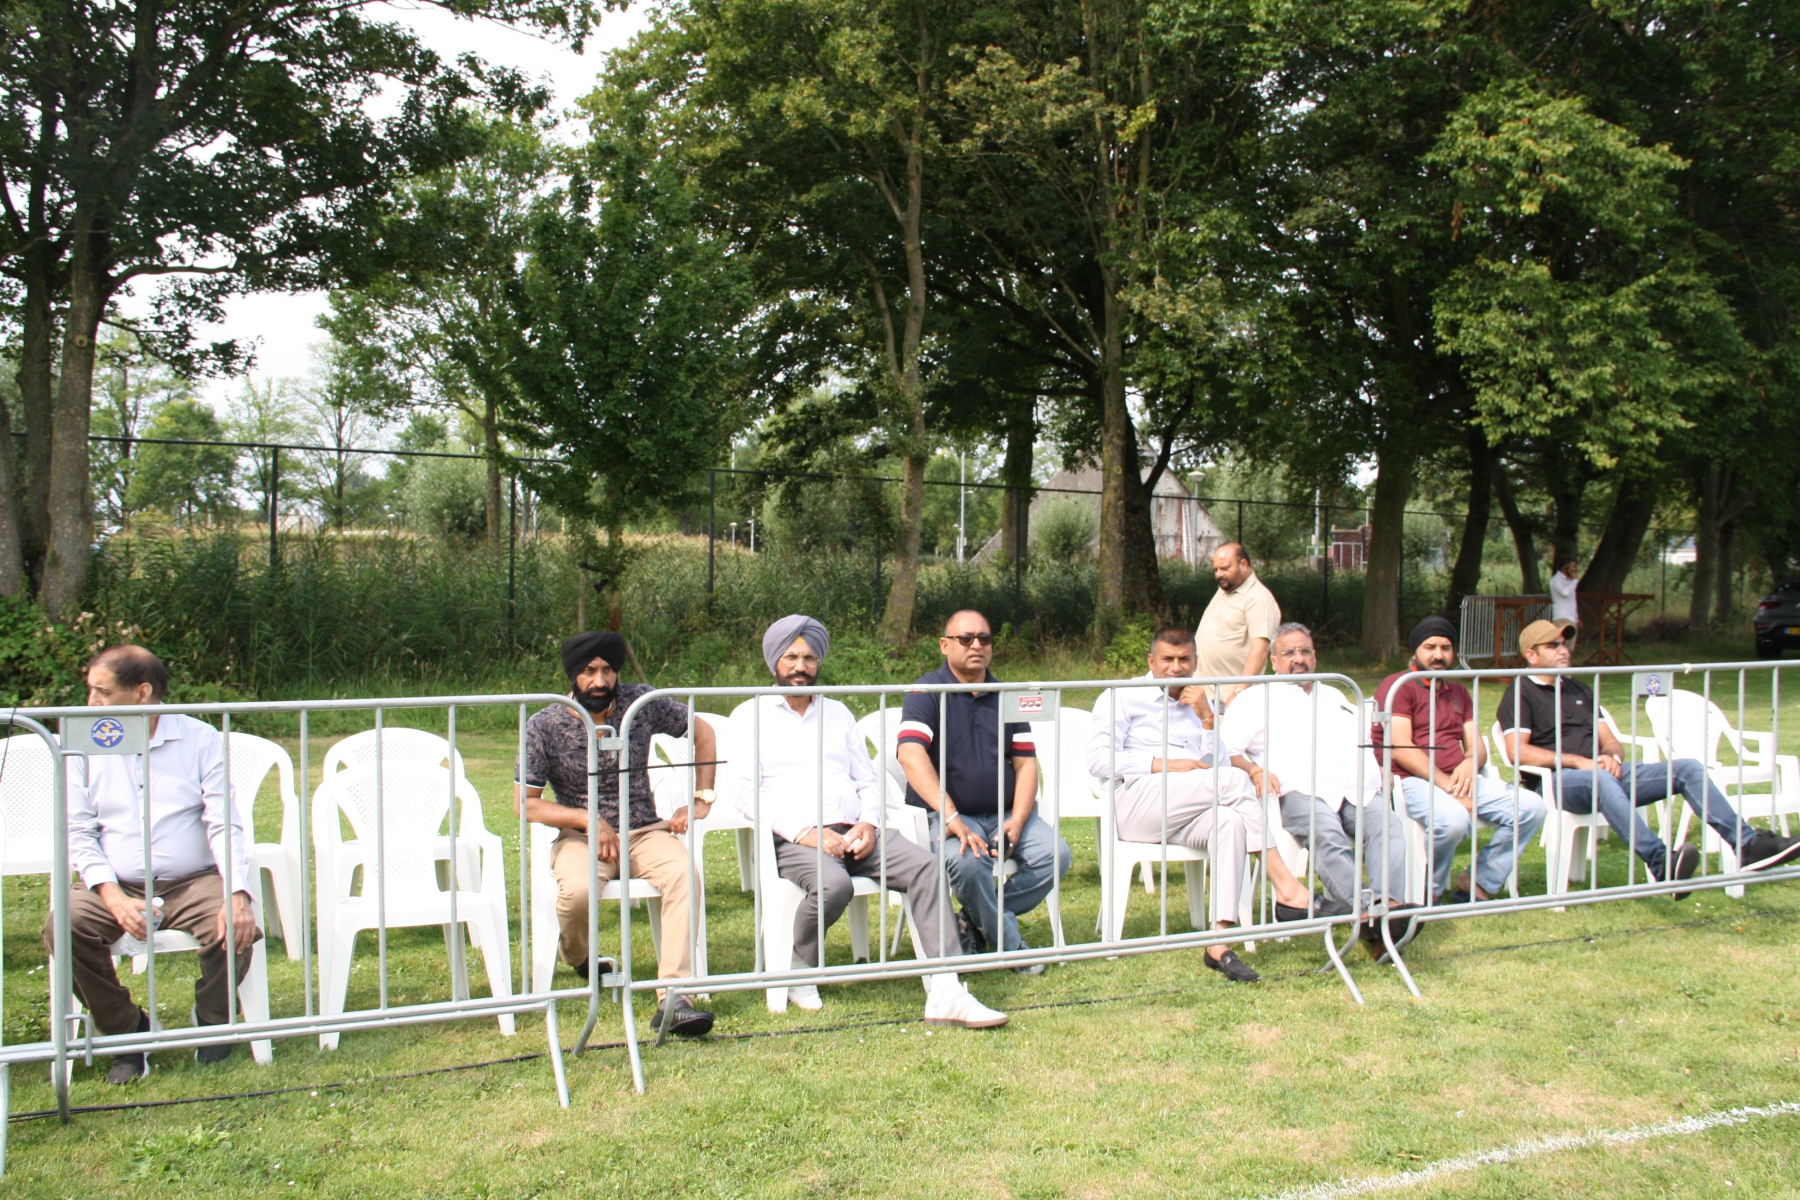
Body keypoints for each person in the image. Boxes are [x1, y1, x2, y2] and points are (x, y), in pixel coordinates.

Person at [721, 615, 1007, 1027]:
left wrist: (869, 824)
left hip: (855, 831)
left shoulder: (837, 712)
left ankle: (946, 991)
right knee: (833, 886)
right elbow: (745, 793)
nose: (801, 666)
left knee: (928, 868)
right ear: (774, 663)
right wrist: (806, 833)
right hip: (794, 838)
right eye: (791, 658)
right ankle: (799, 965)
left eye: (809, 658)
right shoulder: (749, 715)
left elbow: (867, 780)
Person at [45, 646, 259, 1083]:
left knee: (235, 922)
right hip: (113, 882)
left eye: (102, 692)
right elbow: (78, 831)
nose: (91, 703)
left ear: (142, 693)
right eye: (90, 691)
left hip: (192, 880)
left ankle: (213, 1020)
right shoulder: (83, 740)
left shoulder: (200, 739)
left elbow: (223, 821)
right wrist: (113, 897)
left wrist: (236, 892)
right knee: (63, 926)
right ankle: (126, 1033)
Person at [1088, 625, 1336, 983]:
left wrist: (1207, 719)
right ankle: (1287, 888)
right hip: (1136, 803)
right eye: (1168, 659)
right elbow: (1097, 760)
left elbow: (1216, 765)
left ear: (1195, 661)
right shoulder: (1122, 696)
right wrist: (1165, 764)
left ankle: (1218, 942)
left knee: (1228, 822)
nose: (1176, 668)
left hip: (1188, 805)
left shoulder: (1200, 700)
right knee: (1235, 781)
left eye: (1184, 660)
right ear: (1151, 661)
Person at [1498, 619, 1800, 892]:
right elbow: (1517, 751)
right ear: (1532, 655)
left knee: (1688, 769)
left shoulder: (1580, 689)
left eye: (1564, 643)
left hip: (1602, 776)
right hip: (1557, 783)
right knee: (1600, 778)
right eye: (1553, 646)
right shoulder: (1520, 692)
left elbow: (1611, 741)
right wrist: (1580, 762)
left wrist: (1611, 757)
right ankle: (1661, 862)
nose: (1564, 650)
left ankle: (1747, 844)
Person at [518, 631, 716, 1037]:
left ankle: (675, 997)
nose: (599, 680)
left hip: (645, 831)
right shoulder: (544, 724)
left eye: (608, 670)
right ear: (573, 675)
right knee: (578, 893)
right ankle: (578, 957)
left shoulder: (640, 702)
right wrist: (586, 819)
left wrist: (702, 798)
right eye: (589, 671)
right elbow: (527, 804)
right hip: (581, 838)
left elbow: (704, 732)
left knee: (685, 874)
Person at [1220, 623, 1419, 956]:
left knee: (1388, 826)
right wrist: (1255, 770)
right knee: (1326, 832)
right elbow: (1227, 751)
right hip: (1294, 790)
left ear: (1315, 656)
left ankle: (1388, 906)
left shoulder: (1335, 694)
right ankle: (1367, 915)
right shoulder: (1255, 698)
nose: (1298, 658)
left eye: (1305, 651)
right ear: (1273, 660)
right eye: (1289, 653)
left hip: (1351, 789)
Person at [896, 609, 1071, 974]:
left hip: (1005, 813)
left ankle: (974, 921)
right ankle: (1012, 947)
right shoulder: (925, 692)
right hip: (949, 816)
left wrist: (1019, 819)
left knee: (1055, 856)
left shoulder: (1006, 694)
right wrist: (952, 817)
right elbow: (910, 755)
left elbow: (1026, 764)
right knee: (967, 865)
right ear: (945, 645)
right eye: (966, 638)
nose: (976, 645)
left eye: (984, 638)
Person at [1373, 616, 1547, 904]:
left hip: (1457, 778)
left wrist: (1468, 762)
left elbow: (1476, 745)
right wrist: (1449, 787)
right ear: (1415, 650)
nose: (1438, 655)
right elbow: (1401, 747)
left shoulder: (1458, 692)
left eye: (1446, 648)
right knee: (1453, 821)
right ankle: (1428, 891)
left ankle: (1479, 881)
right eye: (1430, 647)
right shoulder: (1398, 686)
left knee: (1531, 807)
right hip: (1409, 780)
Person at [1194, 542, 1282, 706]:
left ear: (1243, 564)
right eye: (1216, 570)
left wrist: (1238, 693)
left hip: (1228, 699)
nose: (1219, 574)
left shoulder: (1258, 598)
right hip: (1204, 693)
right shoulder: (1226, 588)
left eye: (1225, 568)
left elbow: (1260, 650)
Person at [1550, 557, 1580, 627]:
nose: (1575, 569)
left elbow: (1572, 599)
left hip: (1572, 619)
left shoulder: (1569, 581)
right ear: (1566, 567)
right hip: (1561, 618)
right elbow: (1565, 592)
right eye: (1573, 567)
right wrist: (1575, 580)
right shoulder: (1556, 580)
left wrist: (1576, 617)